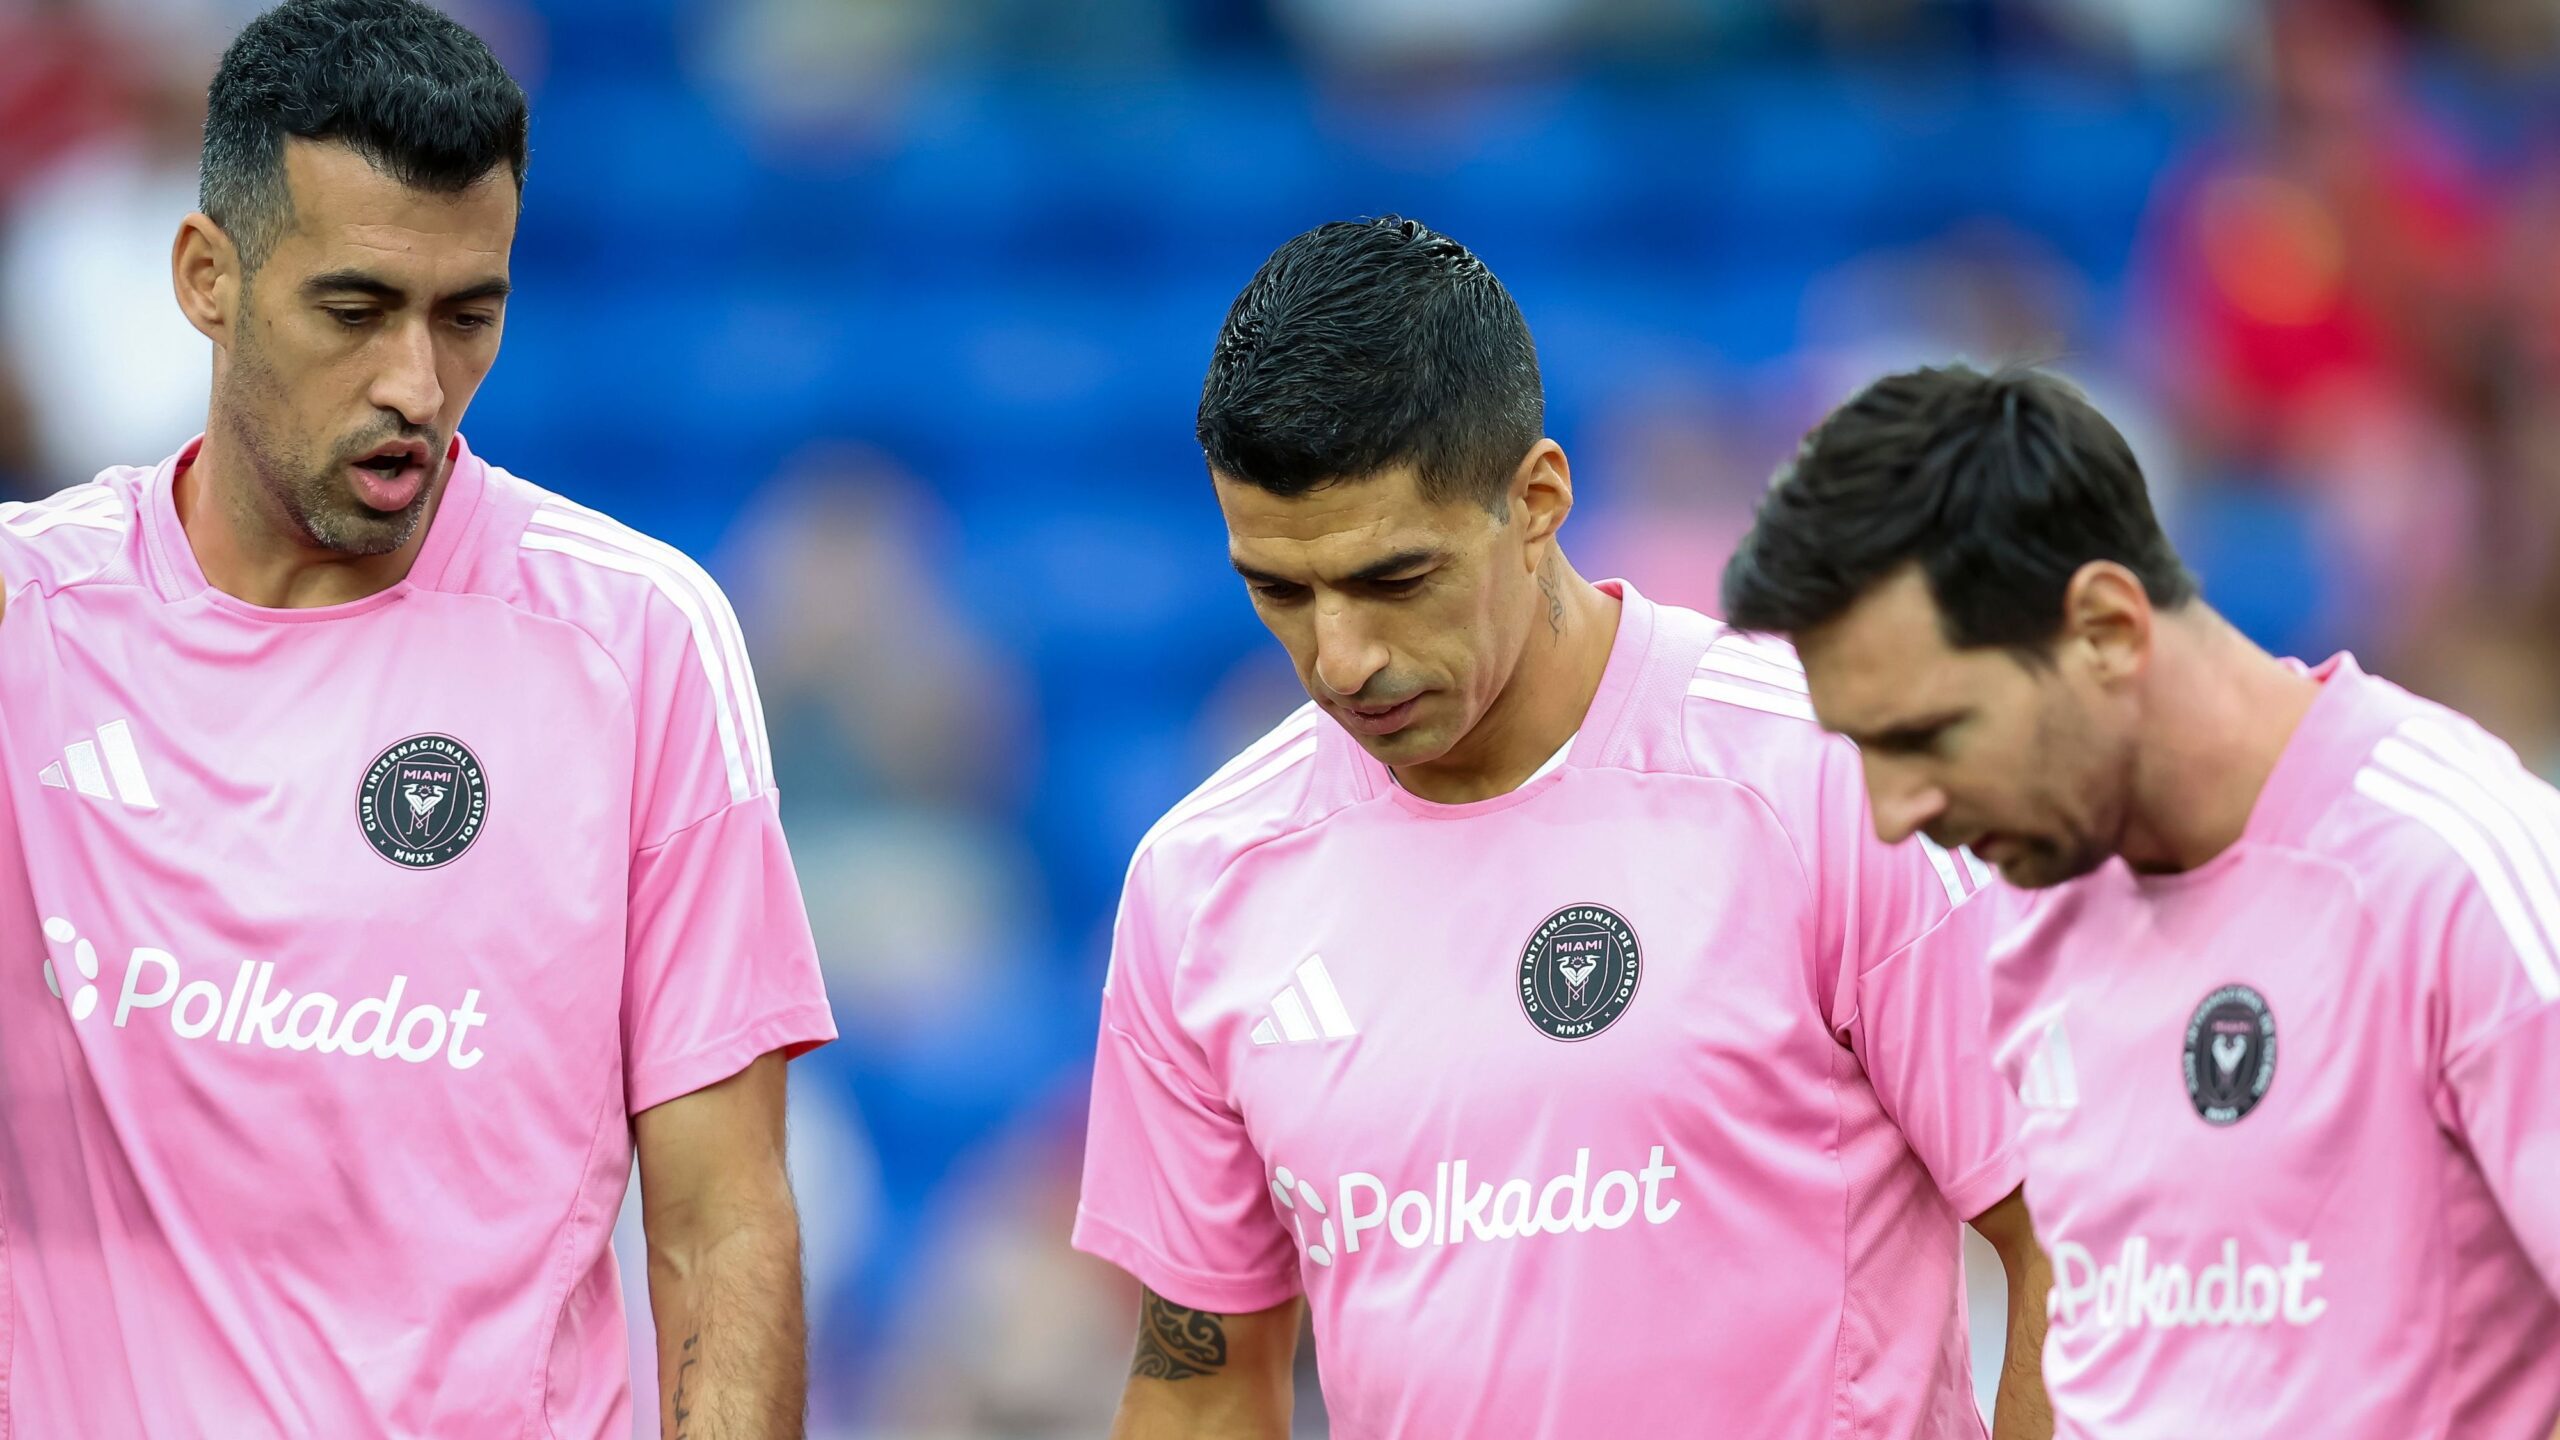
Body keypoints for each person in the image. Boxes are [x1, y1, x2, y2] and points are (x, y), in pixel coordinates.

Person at [1071, 216, 2053, 1439]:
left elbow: (2071, 1240)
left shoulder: (1826, 778)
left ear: (1536, 499)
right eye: (1280, 589)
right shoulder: (1199, 883)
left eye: (1394, 579)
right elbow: (1202, 1382)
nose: (1339, 657)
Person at [0, 2, 835, 1434]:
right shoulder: (28, 628)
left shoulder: (638, 643)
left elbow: (721, 1226)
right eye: (355, 310)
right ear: (207, 277)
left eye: (467, 317)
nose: (416, 385)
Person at [1719, 363, 2560, 1437]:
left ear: (2108, 628)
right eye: (1865, 751)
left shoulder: (2454, 871)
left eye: (1929, 736)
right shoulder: (2030, 917)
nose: (1893, 813)